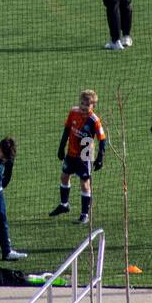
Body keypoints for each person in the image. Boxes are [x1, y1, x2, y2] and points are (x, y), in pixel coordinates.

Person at [49, 89, 106, 225]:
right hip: (71, 152)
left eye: (87, 105)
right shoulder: (73, 112)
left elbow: (102, 139)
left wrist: (100, 157)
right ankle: (64, 205)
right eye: (82, 103)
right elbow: (67, 129)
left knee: (84, 183)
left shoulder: (95, 120)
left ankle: (84, 214)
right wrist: (61, 146)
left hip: (85, 155)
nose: (83, 107)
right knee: (64, 176)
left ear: (93, 106)